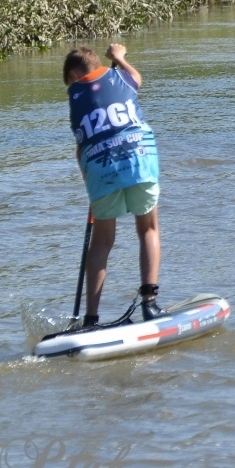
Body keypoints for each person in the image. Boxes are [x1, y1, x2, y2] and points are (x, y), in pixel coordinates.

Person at [64, 43, 162, 325]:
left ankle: (91, 319)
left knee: (102, 242)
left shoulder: (75, 98)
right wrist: (120, 58)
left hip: (99, 169)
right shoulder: (120, 76)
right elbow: (138, 80)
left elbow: (81, 150)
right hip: (138, 161)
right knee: (148, 228)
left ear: (72, 75)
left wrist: (90, 189)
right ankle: (150, 304)